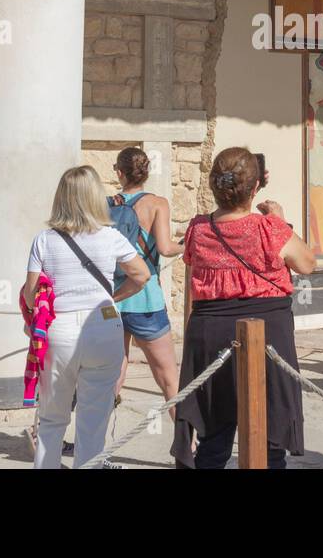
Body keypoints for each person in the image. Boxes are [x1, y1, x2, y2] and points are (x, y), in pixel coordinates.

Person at [171, 147, 317, 469]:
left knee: (214, 434)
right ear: (254, 189)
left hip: (211, 332)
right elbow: (307, 263)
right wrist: (279, 220)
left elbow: (192, 268)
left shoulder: (198, 229)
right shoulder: (269, 228)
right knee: (269, 435)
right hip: (268, 330)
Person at [24, 165, 151, 469]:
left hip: (59, 328)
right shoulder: (111, 237)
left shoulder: (44, 240)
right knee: (94, 419)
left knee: (52, 418)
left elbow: (31, 295)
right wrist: (113, 298)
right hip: (103, 325)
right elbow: (142, 275)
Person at [110, 148, 183, 432]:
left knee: (113, 373)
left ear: (119, 173)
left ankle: (96, 447)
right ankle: (187, 449)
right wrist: (188, 245)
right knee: (168, 377)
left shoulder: (108, 203)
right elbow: (165, 248)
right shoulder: (157, 204)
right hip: (144, 298)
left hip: (114, 298)